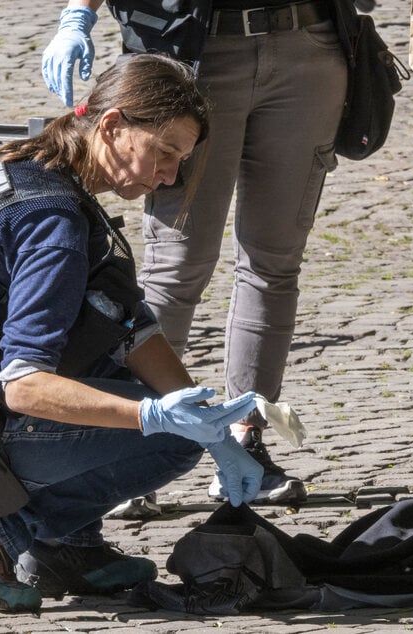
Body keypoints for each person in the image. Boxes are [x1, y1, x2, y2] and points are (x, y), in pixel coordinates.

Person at [0, 54, 264, 614]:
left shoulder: (25, 161)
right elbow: (25, 385)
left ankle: (70, 548)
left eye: (180, 160)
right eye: (164, 152)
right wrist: (159, 417)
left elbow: (126, 323)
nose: (169, 175)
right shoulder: (54, 223)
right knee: (168, 438)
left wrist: (216, 428)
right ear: (114, 125)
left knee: (119, 364)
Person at [41, 0, 350, 506]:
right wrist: (77, 15)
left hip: (307, 44)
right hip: (197, 51)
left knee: (274, 264)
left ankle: (249, 439)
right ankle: (125, 447)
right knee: (178, 266)